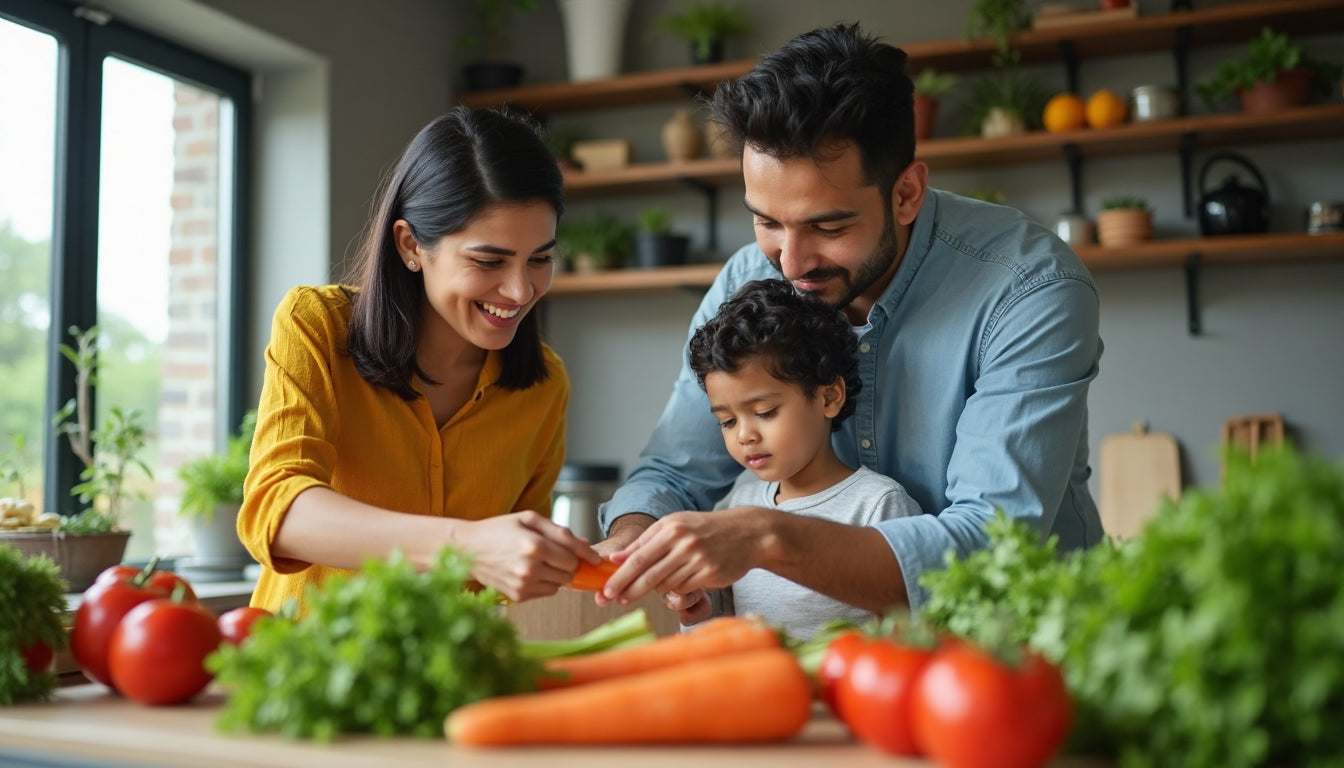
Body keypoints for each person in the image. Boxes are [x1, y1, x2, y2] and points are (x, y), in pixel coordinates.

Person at [595, 23, 1103, 625]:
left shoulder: (1028, 289)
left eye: (828, 228)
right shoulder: (745, 281)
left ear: (907, 193)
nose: (791, 261)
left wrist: (767, 537)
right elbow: (674, 474)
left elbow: (989, 548)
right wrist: (634, 537)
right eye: (767, 222)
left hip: (1026, 644)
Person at [238, 107, 601, 612]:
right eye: (488, 261)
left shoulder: (544, 383)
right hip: (304, 670)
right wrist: (467, 545)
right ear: (411, 245)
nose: (521, 290)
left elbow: (510, 585)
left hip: (447, 685)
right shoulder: (316, 325)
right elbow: (277, 513)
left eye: (540, 258)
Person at [687, 278, 922, 638]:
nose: (744, 435)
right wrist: (693, 608)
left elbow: (911, 634)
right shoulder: (736, 507)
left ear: (829, 397)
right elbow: (716, 635)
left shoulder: (878, 506)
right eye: (728, 421)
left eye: (764, 412)